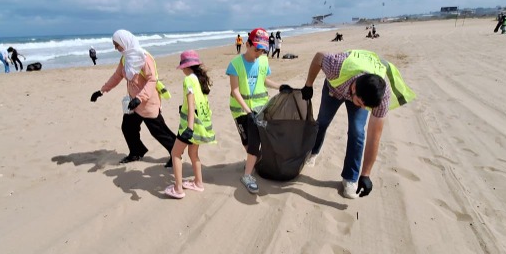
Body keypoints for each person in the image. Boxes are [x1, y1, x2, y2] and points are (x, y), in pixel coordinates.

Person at [301, 50, 415, 199]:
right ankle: (313, 152)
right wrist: (308, 85)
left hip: (361, 90)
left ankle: (350, 178)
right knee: (322, 121)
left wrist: (365, 174)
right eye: (361, 104)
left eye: (366, 107)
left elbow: (375, 136)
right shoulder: (336, 66)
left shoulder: (381, 96)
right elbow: (318, 57)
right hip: (335, 88)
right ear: (354, 89)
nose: (363, 108)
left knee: (357, 131)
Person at [90, 30, 176, 167]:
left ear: (125, 42)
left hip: (147, 102)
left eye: (117, 45)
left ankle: (175, 153)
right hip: (133, 103)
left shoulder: (144, 57)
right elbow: (117, 76)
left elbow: (152, 80)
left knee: (158, 131)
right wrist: (102, 91)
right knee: (128, 127)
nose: (115, 48)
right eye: (114, 45)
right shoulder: (125, 58)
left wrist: (140, 98)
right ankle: (137, 152)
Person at [226, 28, 290, 194]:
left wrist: (280, 86)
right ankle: (254, 159)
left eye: (263, 50)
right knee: (247, 142)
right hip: (240, 110)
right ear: (247, 44)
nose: (259, 53)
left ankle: (247, 175)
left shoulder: (263, 61)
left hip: (260, 107)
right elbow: (235, 91)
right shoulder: (235, 64)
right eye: (256, 50)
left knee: (254, 141)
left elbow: (265, 80)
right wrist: (248, 112)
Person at [164, 50, 217, 199]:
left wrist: (189, 128)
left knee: (175, 153)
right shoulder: (200, 79)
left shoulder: (188, 80)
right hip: (201, 124)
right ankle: (198, 183)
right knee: (193, 154)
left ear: (186, 67)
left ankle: (178, 188)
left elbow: (191, 102)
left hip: (190, 126)